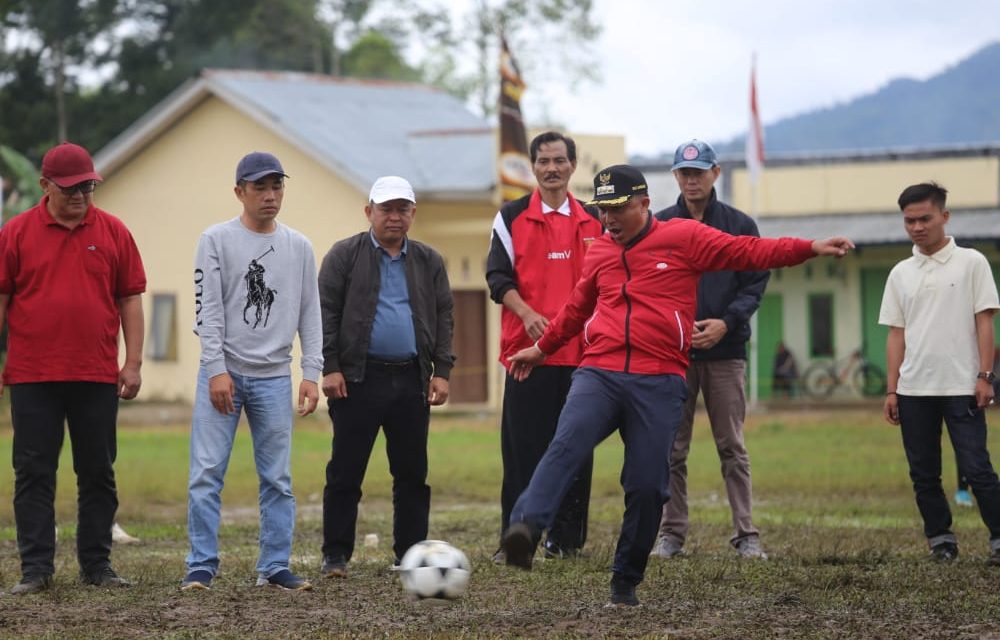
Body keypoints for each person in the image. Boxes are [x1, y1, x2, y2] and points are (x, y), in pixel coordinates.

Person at [502, 164, 854, 606]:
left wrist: (809, 248)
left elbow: (748, 250)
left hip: (660, 379)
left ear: (644, 204)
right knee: (566, 444)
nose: (608, 220)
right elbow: (576, 309)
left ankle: (625, 579)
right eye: (602, 210)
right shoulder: (600, 252)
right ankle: (526, 529)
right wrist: (543, 348)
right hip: (600, 372)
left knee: (649, 485)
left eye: (617, 209)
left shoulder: (683, 237)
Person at [0, 142, 146, 594]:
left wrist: (133, 362)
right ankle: (36, 569)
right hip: (31, 375)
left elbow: (130, 299)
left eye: (86, 185)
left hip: (96, 373)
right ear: (45, 186)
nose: (80, 194)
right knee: (34, 472)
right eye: (70, 188)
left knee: (98, 471)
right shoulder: (16, 232)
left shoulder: (114, 231)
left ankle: (97, 565)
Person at [182, 152, 322, 592]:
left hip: (275, 376)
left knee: (278, 477)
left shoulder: (299, 246)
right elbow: (208, 311)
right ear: (239, 191)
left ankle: (275, 565)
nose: (270, 195)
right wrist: (216, 369)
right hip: (222, 373)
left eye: (277, 186)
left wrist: (311, 371)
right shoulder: (216, 239)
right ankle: (201, 563)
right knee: (206, 472)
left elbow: (310, 312)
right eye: (260, 187)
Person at [318, 176, 455, 578]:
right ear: (369, 212)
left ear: (413, 213)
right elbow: (325, 313)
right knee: (345, 472)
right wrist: (330, 366)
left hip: (411, 379)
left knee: (412, 474)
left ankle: (411, 555)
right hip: (357, 379)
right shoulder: (345, 255)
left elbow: (445, 315)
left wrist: (441, 371)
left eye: (402, 209)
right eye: (386, 209)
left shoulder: (429, 260)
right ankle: (336, 555)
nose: (394, 217)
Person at [485, 131, 603, 561]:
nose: (551, 168)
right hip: (526, 356)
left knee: (577, 449)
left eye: (559, 160)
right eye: (543, 161)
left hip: (585, 357)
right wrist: (527, 313)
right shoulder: (510, 216)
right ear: (532, 167)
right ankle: (515, 541)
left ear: (573, 166)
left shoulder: (596, 218)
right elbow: (498, 279)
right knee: (522, 453)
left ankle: (566, 541)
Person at [652, 139, 771, 560]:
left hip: (726, 351)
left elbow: (755, 283)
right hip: (674, 355)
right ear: (675, 177)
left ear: (715, 174)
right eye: (684, 173)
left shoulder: (740, 225)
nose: (691, 180)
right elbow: (652, 286)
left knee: (732, 445)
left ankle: (746, 533)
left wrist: (727, 322)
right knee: (671, 448)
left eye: (699, 172)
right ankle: (671, 533)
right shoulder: (659, 226)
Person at [880, 181, 1000, 566]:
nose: (917, 227)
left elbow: (985, 323)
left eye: (925, 218)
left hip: (962, 385)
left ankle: (999, 537)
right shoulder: (900, 273)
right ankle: (941, 540)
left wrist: (985, 376)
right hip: (914, 389)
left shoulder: (972, 263)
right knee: (924, 473)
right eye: (909, 221)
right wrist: (891, 389)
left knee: (977, 468)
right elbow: (896, 335)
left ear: (944, 217)